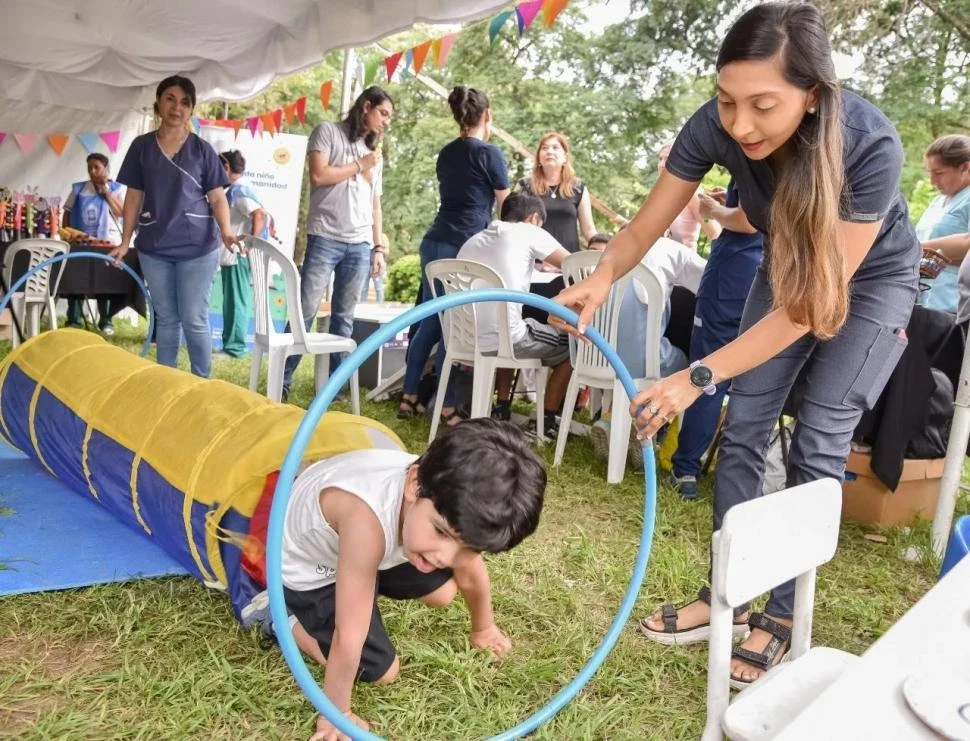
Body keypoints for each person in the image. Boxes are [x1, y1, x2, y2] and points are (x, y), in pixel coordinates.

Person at [555, 2, 919, 687]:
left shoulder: (869, 145)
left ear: (812, 96)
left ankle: (781, 615)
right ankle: (727, 593)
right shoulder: (713, 127)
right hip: (785, 266)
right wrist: (601, 275)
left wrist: (693, 375)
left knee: (817, 438)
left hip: (868, 284)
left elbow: (815, 305)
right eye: (727, 102)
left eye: (762, 105)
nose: (740, 124)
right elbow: (646, 224)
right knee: (745, 423)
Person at [275, 418, 545, 741]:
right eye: (441, 532)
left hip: (379, 544)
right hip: (310, 566)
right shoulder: (365, 523)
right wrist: (338, 716)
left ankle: (384, 570)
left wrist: (483, 628)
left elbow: (471, 570)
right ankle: (280, 620)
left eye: (469, 548)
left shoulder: (440, 487)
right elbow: (349, 635)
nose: (446, 556)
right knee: (381, 670)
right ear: (413, 484)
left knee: (444, 593)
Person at [110, 75, 240, 378]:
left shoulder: (203, 150)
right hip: (154, 246)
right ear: (158, 103)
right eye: (170, 98)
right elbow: (133, 197)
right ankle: (164, 384)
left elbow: (218, 198)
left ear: (191, 109)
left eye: (184, 102)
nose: (176, 107)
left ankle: (201, 384)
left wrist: (228, 232)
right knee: (166, 319)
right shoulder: (141, 147)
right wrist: (125, 240)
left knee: (194, 318)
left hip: (198, 248)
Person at [398, 86, 510, 426]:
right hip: (463, 246)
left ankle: (409, 396)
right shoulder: (490, 154)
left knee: (431, 319)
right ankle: (447, 407)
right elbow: (507, 206)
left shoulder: (446, 153)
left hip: (433, 242)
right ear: (487, 116)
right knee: (455, 325)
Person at [280, 86, 392, 401]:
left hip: (359, 244)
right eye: (383, 113)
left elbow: (375, 203)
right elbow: (319, 175)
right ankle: (283, 380)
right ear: (366, 106)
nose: (385, 122)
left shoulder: (374, 153)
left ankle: (334, 389)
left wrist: (378, 246)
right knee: (305, 310)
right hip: (325, 236)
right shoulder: (327, 132)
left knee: (344, 318)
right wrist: (360, 165)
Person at [669, 180, 764, 499]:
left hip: (730, 283)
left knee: (707, 378)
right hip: (767, 284)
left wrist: (714, 211)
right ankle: (740, 480)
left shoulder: (754, 161)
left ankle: (685, 471)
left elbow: (749, 221)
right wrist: (733, 203)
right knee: (754, 384)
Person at [455, 191, 571, 439]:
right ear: (534, 218)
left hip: (464, 340)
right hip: (504, 339)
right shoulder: (529, 231)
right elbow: (573, 265)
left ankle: (502, 408)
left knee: (509, 324)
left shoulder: (473, 241)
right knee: (572, 346)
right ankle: (546, 421)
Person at [585, 232, 707, 467]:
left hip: (596, 354)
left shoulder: (613, 247)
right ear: (667, 232)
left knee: (652, 354)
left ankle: (614, 419)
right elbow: (710, 282)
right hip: (637, 360)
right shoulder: (671, 248)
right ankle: (646, 435)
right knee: (686, 369)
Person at [62, 153, 126, 334]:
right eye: (89, 167)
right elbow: (67, 212)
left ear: (105, 168)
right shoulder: (79, 189)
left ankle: (106, 321)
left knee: (105, 281)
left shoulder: (117, 188)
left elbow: (122, 212)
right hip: (81, 243)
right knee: (76, 280)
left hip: (107, 244)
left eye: (96, 167)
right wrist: (67, 233)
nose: (92, 171)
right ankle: (74, 320)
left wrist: (106, 192)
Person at [219, 150, 267, 358]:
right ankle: (230, 345)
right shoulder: (233, 190)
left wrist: (250, 244)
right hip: (232, 255)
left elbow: (259, 214)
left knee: (236, 300)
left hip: (239, 255)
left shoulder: (240, 190)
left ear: (227, 167)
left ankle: (235, 348)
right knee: (231, 300)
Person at [914, 135, 970, 312]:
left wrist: (914, 249)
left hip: (953, 303)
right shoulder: (938, 201)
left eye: (939, 173)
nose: (932, 181)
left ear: (965, 167)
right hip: (923, 299)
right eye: (930, 173)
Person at [518, 132, 596, 253]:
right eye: (544, 148)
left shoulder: (578, 188)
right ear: (539, 157)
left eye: (555, 147)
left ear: (565, 157)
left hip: (569, 260)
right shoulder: (524, 186)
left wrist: (601, 250)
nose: (549, 151)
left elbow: (589, 230)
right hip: (533, 260)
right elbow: (512, 225)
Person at [657, 141, 722, 250]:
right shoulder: (660, 195)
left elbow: (716, 234)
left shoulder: (692, 193)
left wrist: (716, 265)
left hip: (682, 262)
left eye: (667, 159)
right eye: (660, 159)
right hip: (660, 259)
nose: (661, 165)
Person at [359, 232, 389, 303]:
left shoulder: (383, 236)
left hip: (377, 266)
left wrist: (379, 250)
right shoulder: (366, 236)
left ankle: (380, 304)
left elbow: (387, 251)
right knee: (363, 288)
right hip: (365, 266)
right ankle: (362, 304)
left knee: (378, 288)